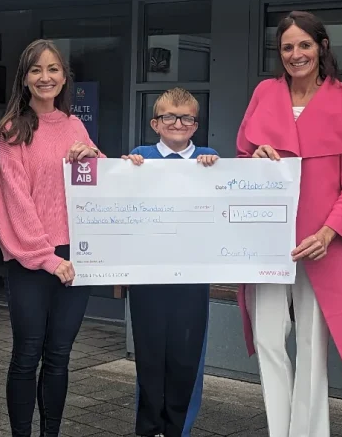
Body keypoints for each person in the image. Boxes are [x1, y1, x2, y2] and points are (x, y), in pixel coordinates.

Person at [235, 11, 342, 437]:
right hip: (268, 240)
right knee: (267, 339)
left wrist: (328, 233)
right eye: (287, 47)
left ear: (321, 46)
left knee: (313, 346)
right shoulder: (264, 92)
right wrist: (254, 157)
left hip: (321, 243)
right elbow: (240, 160)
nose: (296, 54)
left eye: (304, 45)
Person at [0, 39, 102, 437]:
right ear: (24, 79)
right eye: (36, 70)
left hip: (75, 256)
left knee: (59, 356)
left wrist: (95, 158)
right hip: (31, 259)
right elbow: (15, 202)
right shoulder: (11, 132)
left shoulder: (74, 126)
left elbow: (98, 186)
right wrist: (47, 259)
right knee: (26, 355)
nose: (45, 77)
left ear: (64, 77)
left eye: (53, 69)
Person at [123, 87, 218, 437]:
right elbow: (121, 202)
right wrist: (125, 172)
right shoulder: (139, 157)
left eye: (186, 118)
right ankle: (149, 428)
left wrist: (213, 171)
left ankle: (179, 428)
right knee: (149, 355)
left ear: (196, 124)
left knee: (186, 355)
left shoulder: (209, 159)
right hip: (147, 277)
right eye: (169, 117)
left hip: (192, 277)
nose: (178, 123)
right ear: (155, 123)